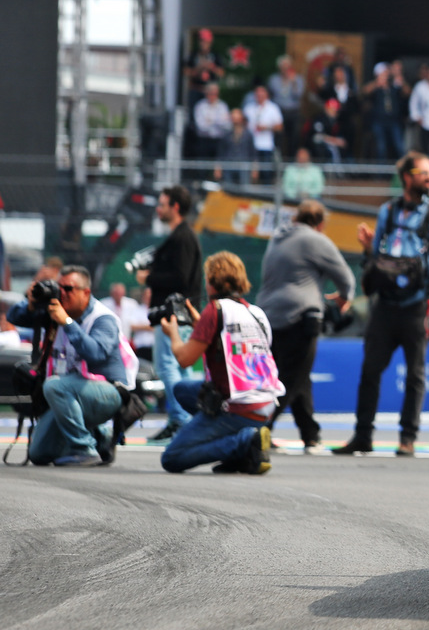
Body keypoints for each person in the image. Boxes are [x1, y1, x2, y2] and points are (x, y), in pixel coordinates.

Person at [334, 151, 429, 456]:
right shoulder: (387, 211)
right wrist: (369, 248)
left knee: (416, 375)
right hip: (384, 305)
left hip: (415, 307)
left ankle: (407, 438)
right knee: (369, 371)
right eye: (423, 172)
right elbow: (378, 254)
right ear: (406, 177)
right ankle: (362, 436)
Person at [157, 252, 282, 474]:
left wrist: (173, 334)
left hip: (238, 407)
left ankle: (243, 441)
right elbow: (235, 347)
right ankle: (242, 447)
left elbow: (185, 359)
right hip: (265, 404)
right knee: (182, 390)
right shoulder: (256, 313)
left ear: (212, 281)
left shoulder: (216, 310)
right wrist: (202, 325)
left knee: (172, 458)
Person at [6, 265, 132, 466]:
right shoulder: (54, 313)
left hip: (107, 394)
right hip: (69, 393)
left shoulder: (102, 318)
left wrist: (68, 323)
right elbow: (14, 317)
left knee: (55, 385)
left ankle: (84, 448)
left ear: (86, 292)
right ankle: (99, 436)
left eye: (69, 289)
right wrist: (30, 305)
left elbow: (96, 354)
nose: (62, 293)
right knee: (38, 454)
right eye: (59, 287)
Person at [258, 201, 354, 453]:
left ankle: (310, 435)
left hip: (268, 316)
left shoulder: (277, 237)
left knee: (298, 374)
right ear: (320, 224)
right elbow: (346, 279)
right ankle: (258, 429)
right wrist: (343, 298)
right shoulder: (315, 239)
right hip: (299, 316)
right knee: (291, 377)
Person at [136, 185, 203, 443]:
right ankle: (186, 420)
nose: (158, 208)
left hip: (174, 315)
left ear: (175, 207)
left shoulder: (182, 237)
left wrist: (149, 277)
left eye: (162, 204)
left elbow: (180, 277)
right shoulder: (182, 236)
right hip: (180, 313)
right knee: (181, 367)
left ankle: (180, 420)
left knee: (168, 365)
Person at [243, 85, 284, 181]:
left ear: (266, 95)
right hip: (250, 145)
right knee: (251, 172)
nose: (259, 96)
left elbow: (280, 127)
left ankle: (265, 194)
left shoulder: (273, 108)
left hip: (266, 145)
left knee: (266, 172)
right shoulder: (249, 108)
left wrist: (266, 127)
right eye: (257, 93)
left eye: (262, 93)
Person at [268, 54, 306, 157]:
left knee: (294, 138)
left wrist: (293, 82)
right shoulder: (273, 79)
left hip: (294, 112)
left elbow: (298, 95)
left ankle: (292, 159)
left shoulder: (298, 79)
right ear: (279, 67)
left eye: (287, 66)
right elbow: (271, 95)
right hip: (279, 112)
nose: (285, 69)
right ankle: (277, 159)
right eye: (283, 66)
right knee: (278, 137)